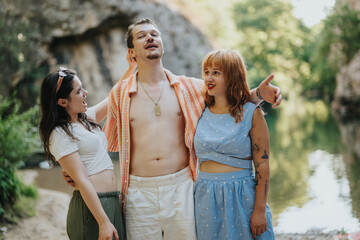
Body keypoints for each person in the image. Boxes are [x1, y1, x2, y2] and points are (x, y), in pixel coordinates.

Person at [63, 18, 281, 240]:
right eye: (141, 36)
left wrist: (259, 95)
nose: (150, 38)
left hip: (182, 188)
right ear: (132, 52)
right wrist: (75, 165)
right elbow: (86, 127)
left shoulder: (190, 87)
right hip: (139, 192)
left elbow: (229, 98)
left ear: (162, 43)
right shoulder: (120, 93)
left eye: (154, 34)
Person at [39, 61, 135, 240]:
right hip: (92, 209)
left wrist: (131, 68)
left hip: (112, 201)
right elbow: (82, 179)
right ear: (62, 102)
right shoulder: (59, 133)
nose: (85, 93)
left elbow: (114, 97)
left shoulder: (86, 119)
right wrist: (103, 222)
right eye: (78, 91)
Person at [193, 49, 275, 239]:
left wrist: (260, 210)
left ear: (232, 76)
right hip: (205, 195)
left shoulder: (251, 113)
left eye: (216, 72)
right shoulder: (198, 110)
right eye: (206, 72)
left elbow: (262, 165)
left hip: (242, 195)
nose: (209, 78)